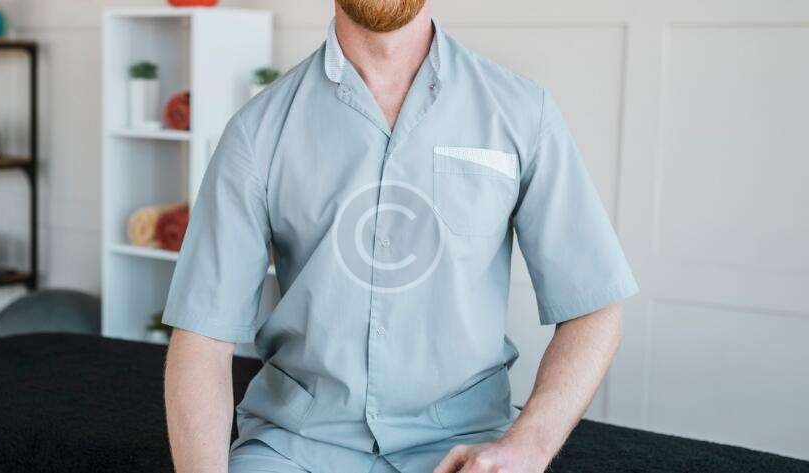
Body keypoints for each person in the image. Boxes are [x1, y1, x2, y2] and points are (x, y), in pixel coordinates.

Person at [162, 0, 639, 472]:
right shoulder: (256, 131)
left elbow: (593, 308)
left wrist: (527, 447)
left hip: (465, 443)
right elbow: (203, 336)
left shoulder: (523, 112)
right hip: (296, 446)